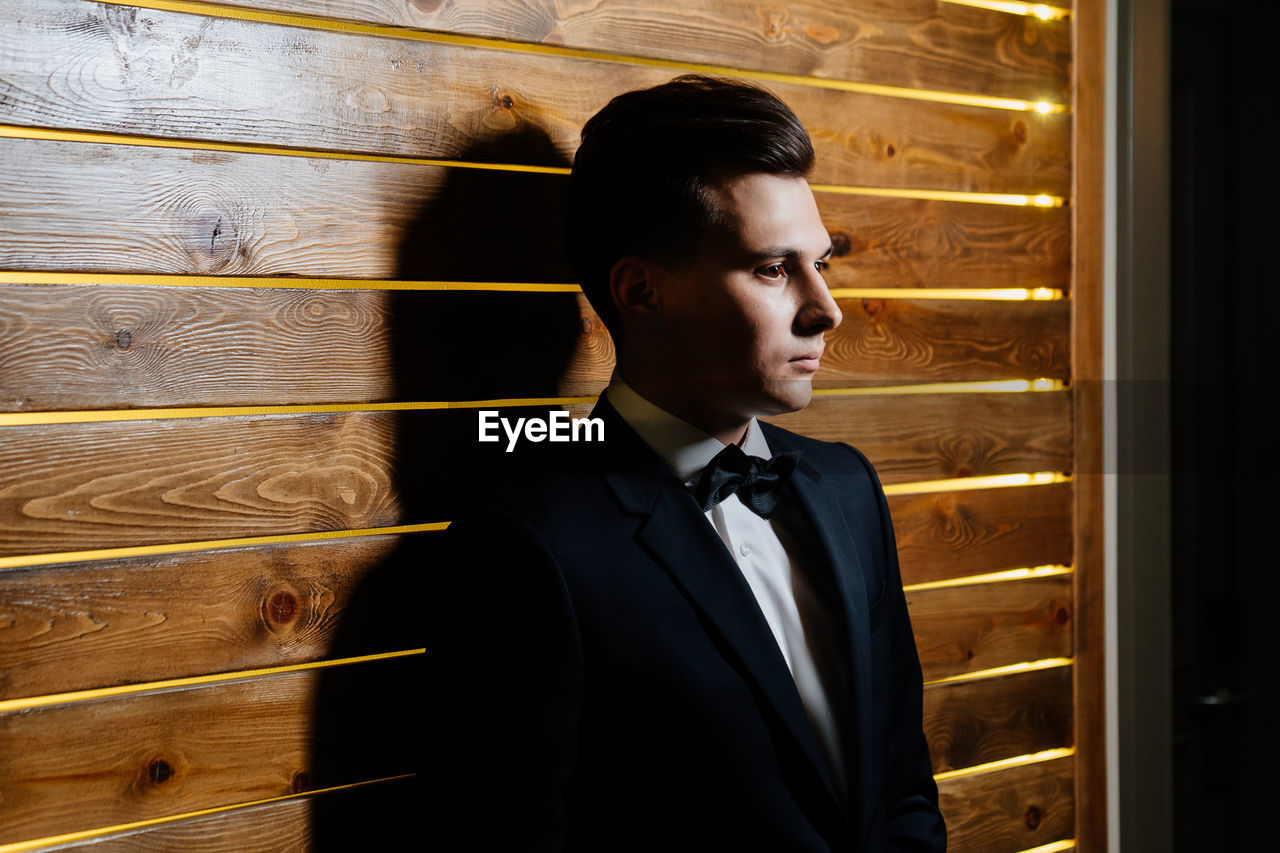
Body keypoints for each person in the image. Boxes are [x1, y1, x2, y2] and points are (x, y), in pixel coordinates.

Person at [429, 74, 946, 852]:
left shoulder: (848, 490)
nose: (825, 308)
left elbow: (903, 787)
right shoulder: (529, 547)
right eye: (774, 269)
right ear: (641, 292)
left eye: (823, 264)